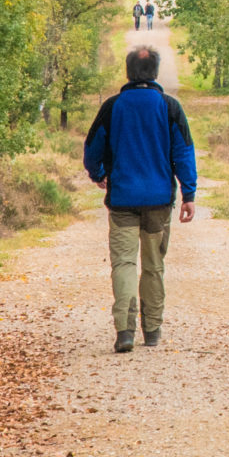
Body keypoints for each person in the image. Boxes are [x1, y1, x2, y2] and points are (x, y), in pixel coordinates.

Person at [81, 45, 197, 352]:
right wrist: (189, 194)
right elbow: (183, 151)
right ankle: (153, 329)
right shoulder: (169, 107)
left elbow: (92, 148)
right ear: (155, 72)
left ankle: (125, 331)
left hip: (122, 200)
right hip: (158, 201)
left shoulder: (113, 106)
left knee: (124, 263)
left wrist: (99, 173)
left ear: (129, 72)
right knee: (154, 265)